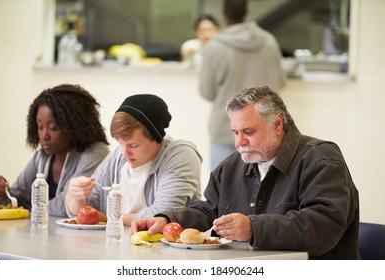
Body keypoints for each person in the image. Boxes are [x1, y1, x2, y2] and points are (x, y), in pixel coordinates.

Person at [131, 86, 360, 260]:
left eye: (248, 131)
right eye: (235, 132)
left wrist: (254, 228)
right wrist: (168, 220)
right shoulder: (231, 166)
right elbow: (210, 210)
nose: (239, 142)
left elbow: (324, 226)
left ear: (278, 125)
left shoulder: (320, 160)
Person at [65, 94, 202, 226]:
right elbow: (89, 210)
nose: (125, 152)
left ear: (157, 138)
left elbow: (164, 214)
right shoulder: (119, 156)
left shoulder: (181, 155)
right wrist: (75, 195)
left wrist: (111, 219)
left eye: (133, 145)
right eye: (120, 144)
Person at [0, 84, 110, 217]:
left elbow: (65, 205)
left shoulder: (95, 153)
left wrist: (33, 211)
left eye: (53, 128)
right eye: (40, 127)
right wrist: (3, 193)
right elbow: (20, 198)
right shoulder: (43, 157)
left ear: (73, 127)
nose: (44, 136)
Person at [200, 0, 285, 169]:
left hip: (226, 130)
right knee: (264, 190)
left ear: (224, 13)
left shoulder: (214, 47)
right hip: (262, 131)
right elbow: (279, 84)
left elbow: (206, 92)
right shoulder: (269, 42)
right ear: (247, 11)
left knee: (223, 189)